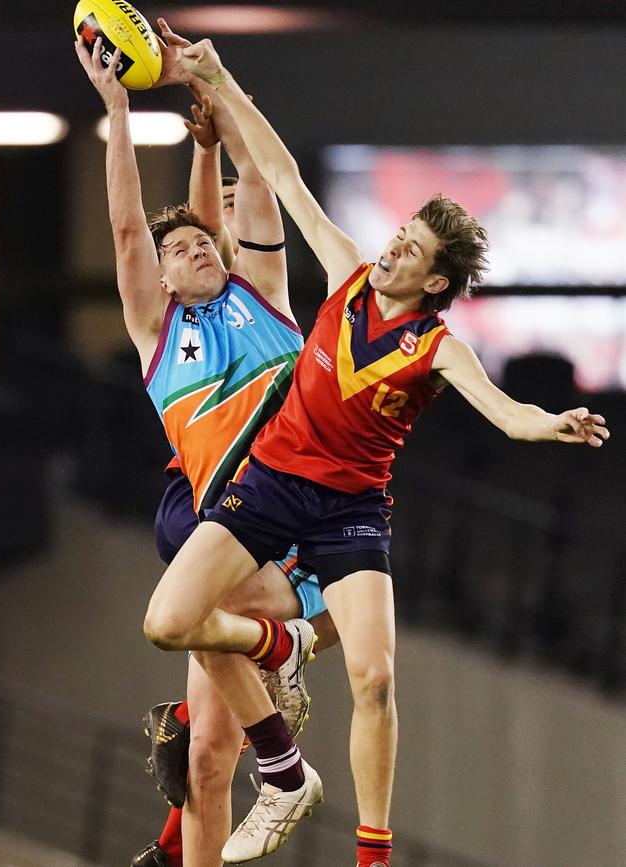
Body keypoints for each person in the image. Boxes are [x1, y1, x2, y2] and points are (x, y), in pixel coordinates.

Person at [141, 23, 611, 867]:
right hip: (272, 484)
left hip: (351, 512)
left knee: (377, 678)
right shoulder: (348, 272)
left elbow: (502, 413)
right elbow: (280, 171)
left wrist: (548, 421)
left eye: (412, 249)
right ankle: (280, 651)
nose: (392, 246)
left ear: (435, 281)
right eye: (398, 235)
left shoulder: (436, 347)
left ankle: (371, 851)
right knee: (168, 622)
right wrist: (215, 71)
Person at [73, 36, 337, 867]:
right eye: (177, 249)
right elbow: (125, 228)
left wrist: (218, 95)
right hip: (237, 532)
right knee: (206, 763)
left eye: (203, 241)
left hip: (310, 522)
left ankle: (281, 720)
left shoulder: (263, 295)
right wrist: (117, 110)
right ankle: (265, 738)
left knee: (239, 626)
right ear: (159, 276)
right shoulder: (158, 333)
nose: (195, 248)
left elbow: (258, 181)